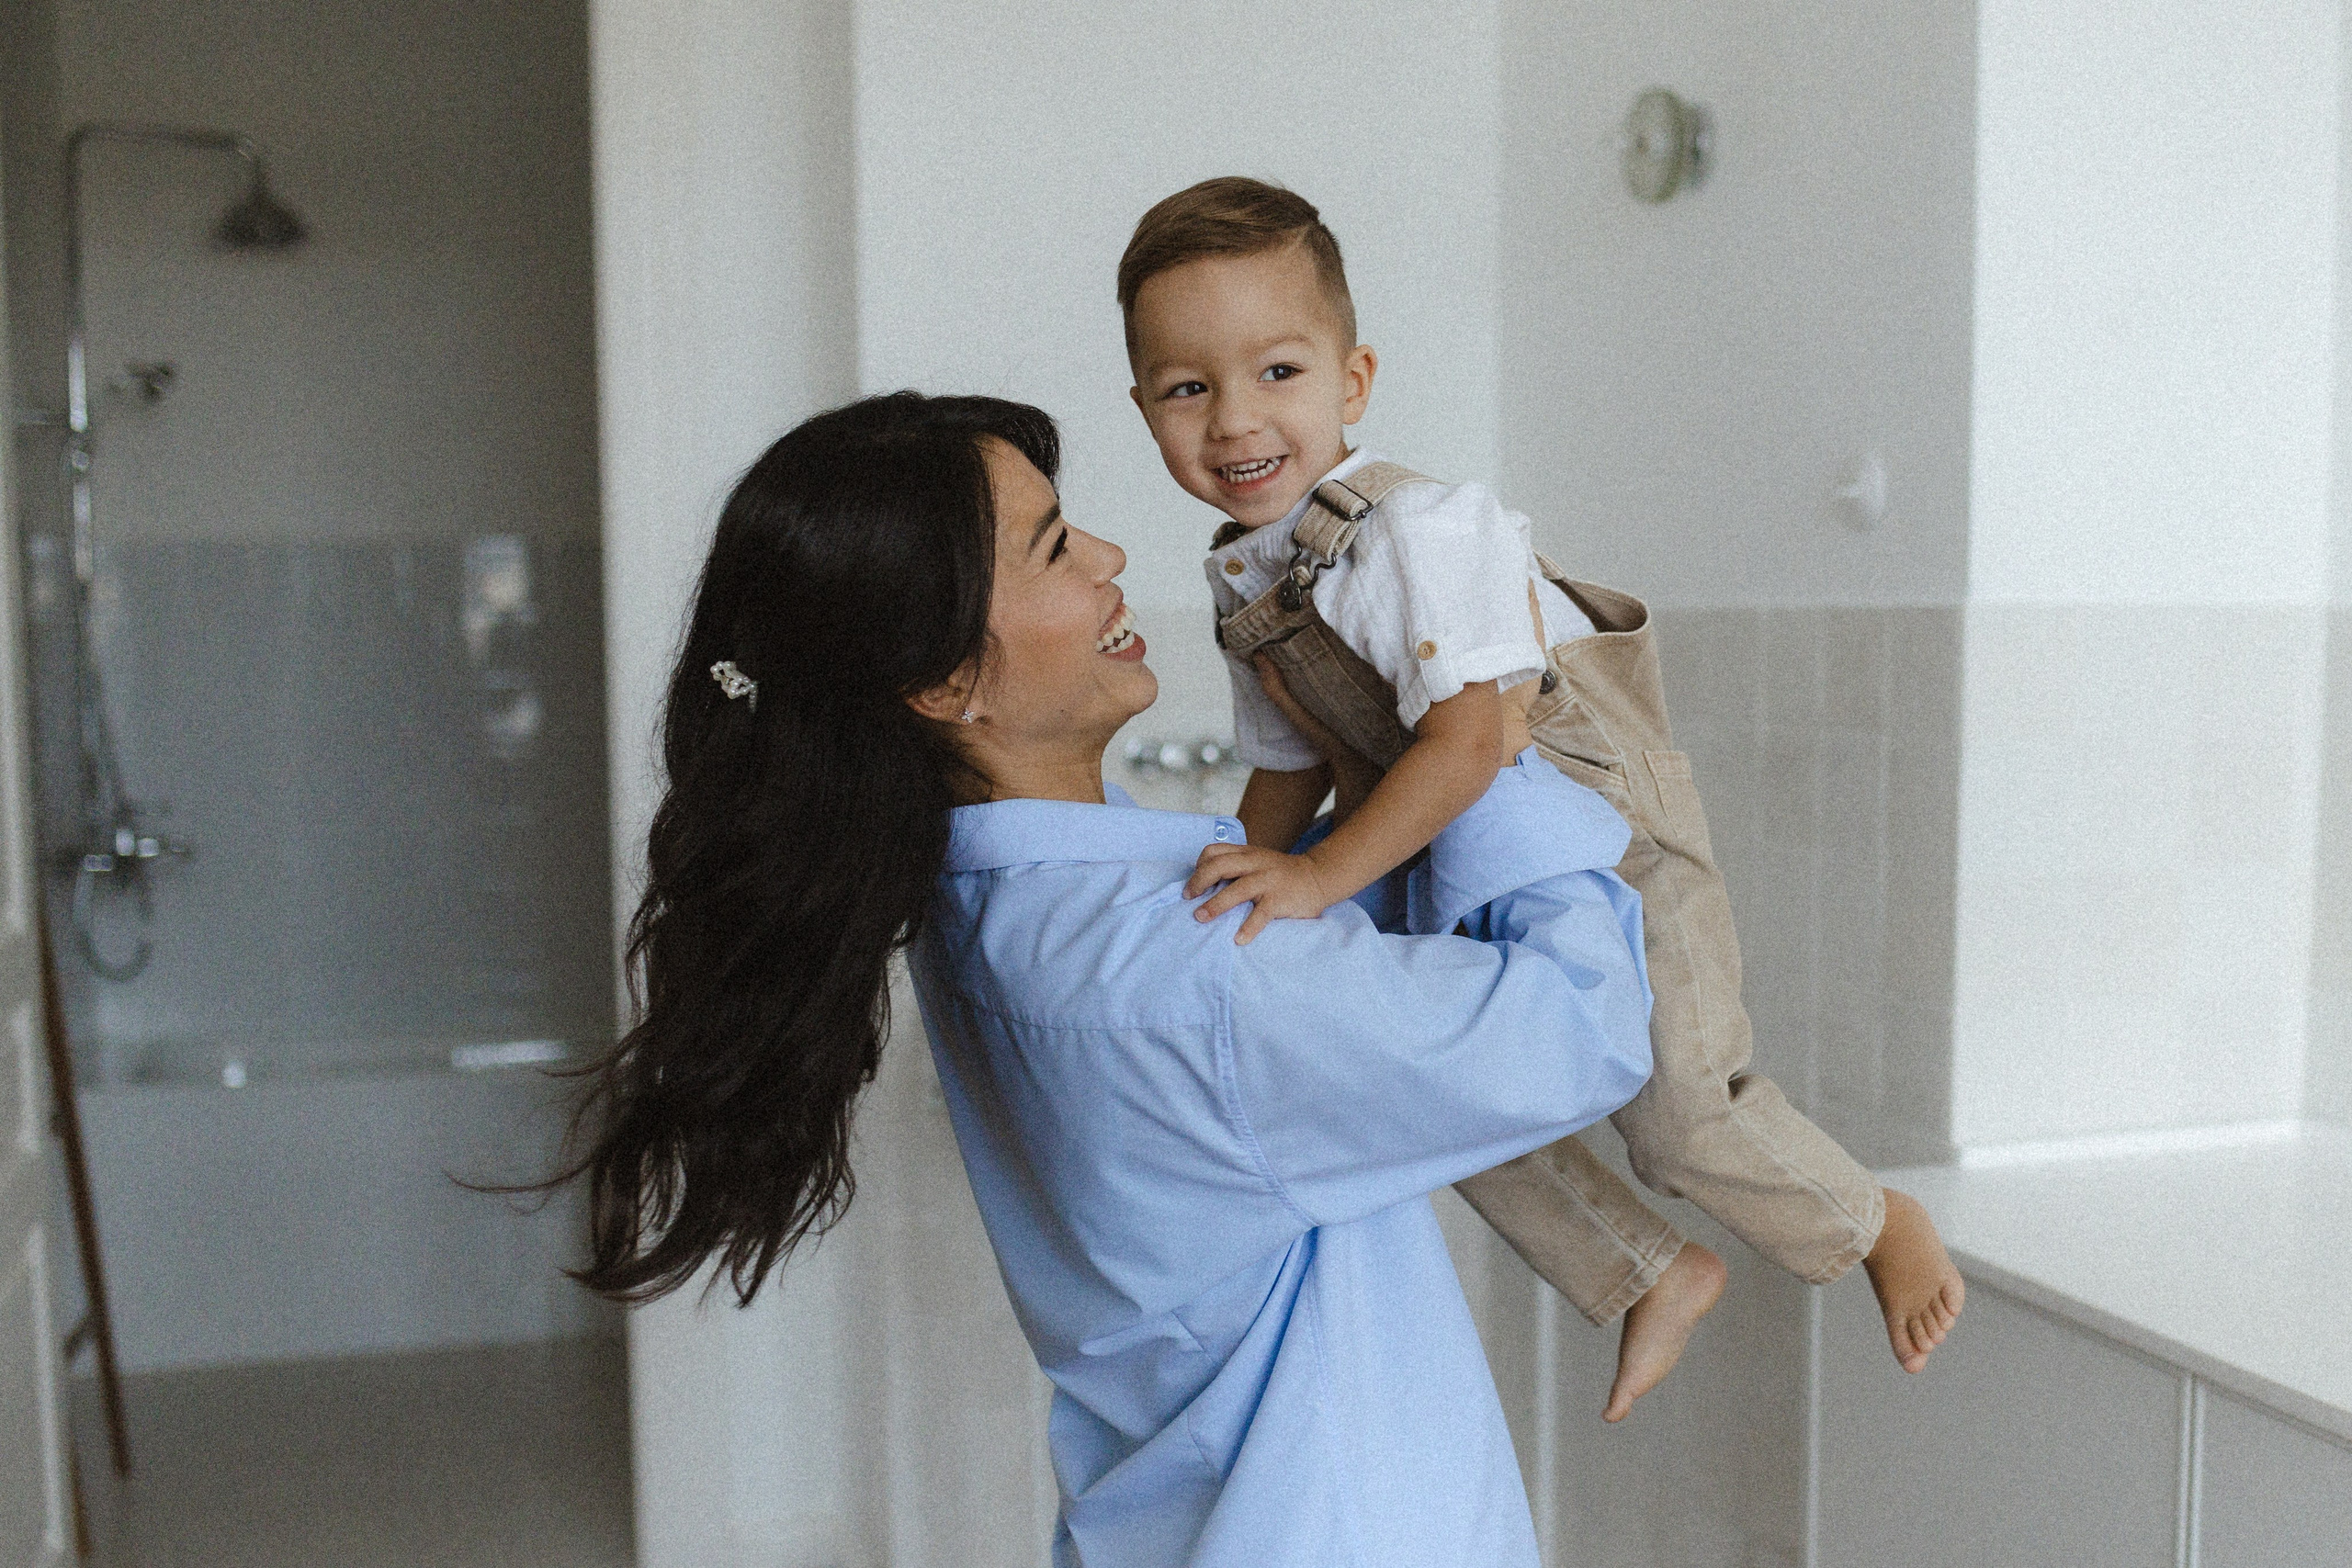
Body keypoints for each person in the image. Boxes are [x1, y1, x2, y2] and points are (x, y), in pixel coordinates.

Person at [560, 390, 1662, 1568]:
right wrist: (1491, 744)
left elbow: (1317, 977)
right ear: (944, 687)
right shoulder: (1176, 973)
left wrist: (1375, 796)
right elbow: (1585, 1030)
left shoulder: (991, 904)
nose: (1110, 558)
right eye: (1052, 546)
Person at [1116, 175, 1965, 1422]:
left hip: (1604, 841)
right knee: (1421, 1083)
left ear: (1353, 382)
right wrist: (1220, 897)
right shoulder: (1247, 577)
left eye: (1279, 371)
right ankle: (1646, 1268)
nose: (1235, 417)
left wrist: (1311, 878)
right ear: (1144, 405)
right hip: (1455, 862)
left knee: (1679, 1118)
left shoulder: (1420, 531)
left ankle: (1870, 1215)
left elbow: (1466, 744)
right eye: (1188, 387)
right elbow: (1289, 768)